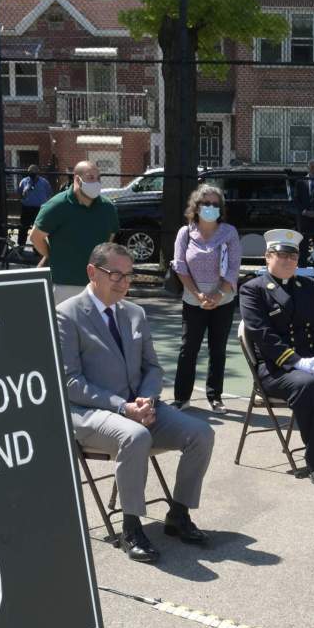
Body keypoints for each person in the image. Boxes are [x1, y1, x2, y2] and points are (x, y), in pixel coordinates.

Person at [57, 242, 215, 564]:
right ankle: (131, 528)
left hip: (140, 407)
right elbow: (70, 382)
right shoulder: (68, 315)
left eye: (129, 275)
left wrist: (146, 399)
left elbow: (153, 368)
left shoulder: (134, 313)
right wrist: (123, 406)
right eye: (116, 274)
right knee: (135, 436)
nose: (124, 282)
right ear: (92, 272)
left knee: (202, 433)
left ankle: (178, 513)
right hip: (90, 413)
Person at [239, 228, 314, 487]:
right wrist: (297, 362)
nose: (289, 260)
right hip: (276, 369)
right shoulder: (253, 290)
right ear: (268, 257)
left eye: (293, 255)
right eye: (282, 255)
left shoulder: (309, 287)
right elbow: (262, 334)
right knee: (308, 387)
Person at [170, 183, 242, 413]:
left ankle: (215, 396)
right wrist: (198, 294)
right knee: (188, 348)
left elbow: (233, 267)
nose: (210, 207)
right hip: (193, 300)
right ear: (196, 206)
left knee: (217, 349)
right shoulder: (185, 232)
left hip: (223, 300)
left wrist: (218, 294)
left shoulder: (229, 232)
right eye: (206, 203)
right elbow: (180, 266)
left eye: (215, 204)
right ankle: (181, 398)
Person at [31, 161, 120, 304]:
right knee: (64, 326)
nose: (96, 182)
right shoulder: (57, 205)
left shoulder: (108, 208)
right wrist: (54, 255)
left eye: (98, 178)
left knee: (95, 326)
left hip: (97, 285)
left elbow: (109, 240)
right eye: (91, 177)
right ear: (77, 179)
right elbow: (36, 237)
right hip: (63, 285)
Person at [293, 159, 314, 267]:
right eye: (311, 166)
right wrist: (304, 211)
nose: (313, 168)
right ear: (308, 168)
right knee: (303, 243)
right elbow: (296, 199)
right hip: (304, 218)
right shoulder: (300, 182)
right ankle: (302, 268)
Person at [17, 165, 53, 248]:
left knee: (38, 229)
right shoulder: (24, 181)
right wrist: (23, 198)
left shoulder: (44, 182)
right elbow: (19, 194)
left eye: (34, 172)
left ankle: (37, 249)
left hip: (39, 209)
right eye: (30, 172)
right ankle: (20, 246)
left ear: (38, 172)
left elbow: (49, 194)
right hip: (27, 208)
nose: (32, 174)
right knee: (23, 228)